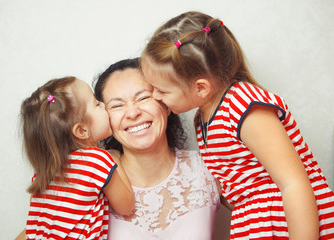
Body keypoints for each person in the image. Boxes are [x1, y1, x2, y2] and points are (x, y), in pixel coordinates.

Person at [140, 11, 334, 240]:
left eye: (161, 90)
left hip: (293, 225)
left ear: (200, 88)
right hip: (256, 225)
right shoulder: (202, 121)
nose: (154, 96)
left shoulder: (244, 108)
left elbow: (293, 184)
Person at [93, 58, 221, 239]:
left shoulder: (208, 167)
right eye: (117, 105)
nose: (132, 113)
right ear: (105, 120)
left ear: (166, 105)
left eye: (144, 97)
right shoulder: (93, 186)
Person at [19, 76, 135, 240]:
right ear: (81, 131)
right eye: (96, 103)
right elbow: (126, 206)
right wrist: (114, 158)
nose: (103, 105)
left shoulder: (42, 174)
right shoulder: (97, 161)